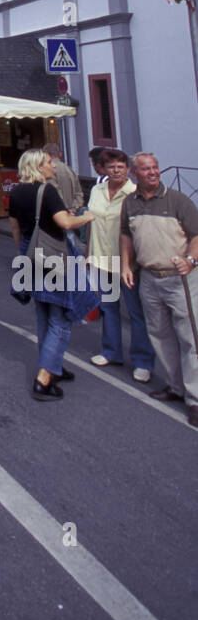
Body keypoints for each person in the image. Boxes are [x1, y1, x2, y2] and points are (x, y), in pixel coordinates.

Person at [8, 148, 95, 400]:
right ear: (37, 166)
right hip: (53, 255)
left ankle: (52, 365)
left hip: (29, 252)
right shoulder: (47, 191)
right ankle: (44, 378)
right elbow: (65, 224)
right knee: (61, 317)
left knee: (43, 312)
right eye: (48, 163)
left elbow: (15, 226)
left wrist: (24, 252)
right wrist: (87, 217)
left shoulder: (15, 192)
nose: (53, 166)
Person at [120, 153, 198, 427]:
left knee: (190, 339)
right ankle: (176, 387)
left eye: (155, 168)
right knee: (161, 336)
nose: (153, 172)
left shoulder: (177, 200)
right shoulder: (131, 203)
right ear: (134, 173)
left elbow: (197, 235)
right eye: (146, 169)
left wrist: (191, 260)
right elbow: (126, 235)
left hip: (180, 280)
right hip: (149, 279)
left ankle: (195, 399)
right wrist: (126, 265)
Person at [86, 148, 154, 381]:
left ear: (128, 170)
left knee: (136, 312)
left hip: (127, 263)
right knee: (108, 308)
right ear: (104, 169)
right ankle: (111, 352)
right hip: (101, 259)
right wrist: (88, 254)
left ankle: (143, 361)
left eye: (121, 167)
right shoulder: (96, 190)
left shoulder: (134, 193)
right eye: (111, 166)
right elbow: (91, 223)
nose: (116, 170)